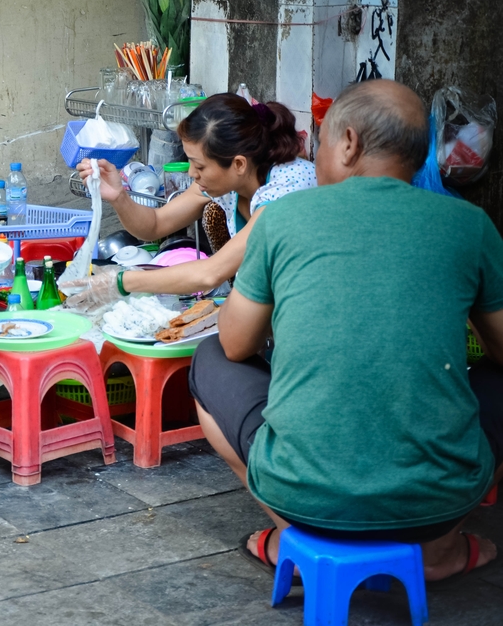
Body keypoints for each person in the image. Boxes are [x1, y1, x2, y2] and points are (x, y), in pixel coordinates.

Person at [190, 79, 503, 582]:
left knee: (208, 360)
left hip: (299, 491)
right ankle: (437, 551)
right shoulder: (471, 224)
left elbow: (235, 343)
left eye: (321, 145)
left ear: (350, 143)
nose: (314, 162)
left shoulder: (283, 218)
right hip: (439, 500)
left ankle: (295, 538)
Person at [64, 94, 315, 311]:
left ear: (238, 164)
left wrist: (122, 282)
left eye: (200, 165)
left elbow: (211, 273)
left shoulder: (288, 190)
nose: (192, 173)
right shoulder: (230, 182)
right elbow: (155, 224)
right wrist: (119, 197)